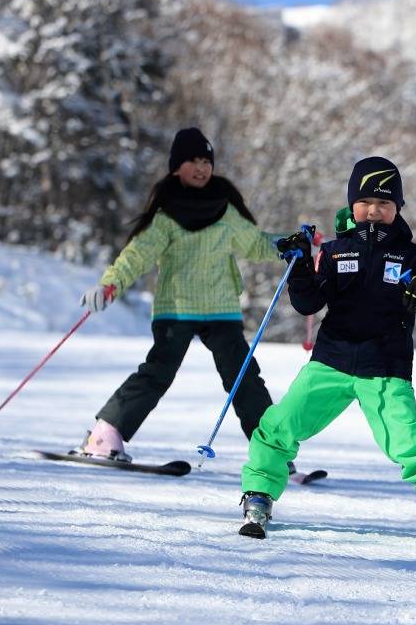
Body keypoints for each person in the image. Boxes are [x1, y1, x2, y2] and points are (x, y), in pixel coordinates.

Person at [237, 156, 416, 546]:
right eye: (365, 203)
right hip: (331, 361)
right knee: (281, 424)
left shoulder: (413, 256)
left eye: (384, 204)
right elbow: (308, 303)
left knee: (407, 440)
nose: (374, 212)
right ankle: (259, 492)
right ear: (352, 205)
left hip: (384, 366)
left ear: (397, 208)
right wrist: (298, 265)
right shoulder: (334, 252)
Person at [74, 128, 289, 464]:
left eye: (206, 161)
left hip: (221, 308)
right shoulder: (166, 216)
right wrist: (110, 284)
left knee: (244, 377)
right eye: (193, 161)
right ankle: (104, 435)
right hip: (177, 309)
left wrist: (289, 244)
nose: (201, 168)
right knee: (158, 371)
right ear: (177, 167)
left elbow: (256, 243)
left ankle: (272, 451)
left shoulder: (225, 209)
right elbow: (138, 254)